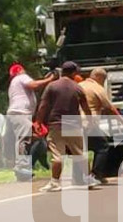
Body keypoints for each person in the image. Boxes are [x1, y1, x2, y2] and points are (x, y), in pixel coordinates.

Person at [36, 61, 91, 192]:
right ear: (73, 73)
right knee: (79, 153)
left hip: (56, 123)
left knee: (57, 155)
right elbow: (86, 107)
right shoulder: (78, 88)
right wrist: (89, 121)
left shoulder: (52, 86)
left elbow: (43, 105)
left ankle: (55, 182)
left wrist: (38, 121)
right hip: (73, 123)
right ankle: (88, 179)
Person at [79, 67, 123, 187]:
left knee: (80, 149)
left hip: (73, 122)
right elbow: (110, 107)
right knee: (103, 146)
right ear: (99, 77)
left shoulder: (79, 85)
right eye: (104, 79)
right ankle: (95, 175)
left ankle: (80, 177)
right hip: (88, 122)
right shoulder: (98, 88)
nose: (104, 81)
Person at [6, 63, 56, 179]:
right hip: (20, 113)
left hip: (19, 113)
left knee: (37, 138)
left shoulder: (15, 83)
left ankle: (26, 166)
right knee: (24, 138)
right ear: (19, 70)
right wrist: (50, 79)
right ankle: (21, 165)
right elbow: (34, 85)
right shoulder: (21, 77)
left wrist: (45, 79)